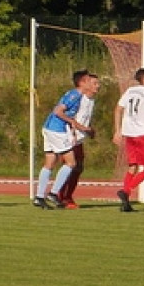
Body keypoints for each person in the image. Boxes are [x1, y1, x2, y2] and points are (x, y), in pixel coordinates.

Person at [34, 70, 96, 209]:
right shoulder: (75, 95)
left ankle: (39, 197)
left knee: (49, 163)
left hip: (49, 127)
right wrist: (72, 122)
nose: (90, 83)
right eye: (88, 80)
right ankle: (54, 193)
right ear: (82, 82)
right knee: (71, 163)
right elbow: (58, 111)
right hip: (57, 129)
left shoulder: (75, 95)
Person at [112, 67, 144, 212]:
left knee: (132, 167)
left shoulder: (129, 91)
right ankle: (126, 191)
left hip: (129, 133)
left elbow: (118, 109)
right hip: (143, 134)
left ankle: (126, 204)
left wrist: (118, 131)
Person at [59, 72, 100, 208]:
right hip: (70, 137)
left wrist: (88, 131)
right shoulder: (78, 98)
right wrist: (75, 131)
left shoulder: (91, 100)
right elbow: (69, 117)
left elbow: (84, 119)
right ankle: (62, 197)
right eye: (94, 83)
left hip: (79, 138)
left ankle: (63, 196)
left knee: (77, 168)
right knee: (72, 167)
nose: (97, 86)